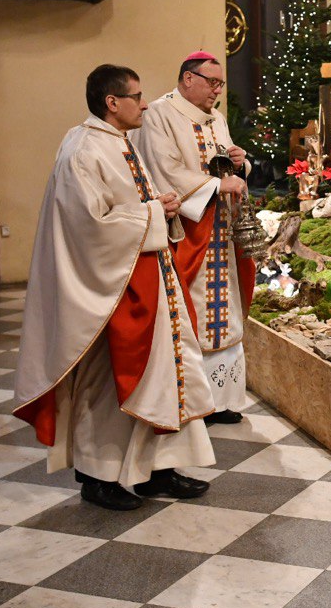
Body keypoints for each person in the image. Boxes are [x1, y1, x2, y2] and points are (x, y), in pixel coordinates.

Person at [14, 64, 216, 511]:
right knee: (107, 385)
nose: (145, 103)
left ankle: (156, 471)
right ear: (112, 102)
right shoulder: (83, 150)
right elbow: (87, 226)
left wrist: (158, 207)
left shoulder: (118, 141)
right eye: (137, 96)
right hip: (109, 289)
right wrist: (150, 214)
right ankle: (97, 476)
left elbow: (129, 206)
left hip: (146, 276)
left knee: (164, 376)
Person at [133, 52, 256, 426]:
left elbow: (224, 164)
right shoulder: (159, 114)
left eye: (220, 84)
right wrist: (219, 184)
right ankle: (195, 400)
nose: (217, 91)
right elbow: (165, 169)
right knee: (193, 309)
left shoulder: (216, 117)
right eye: (212, 83)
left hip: (221, 229)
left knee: (226, 309)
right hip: (189, 229)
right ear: (188, 78)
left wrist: (239, 162)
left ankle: (222, 400)